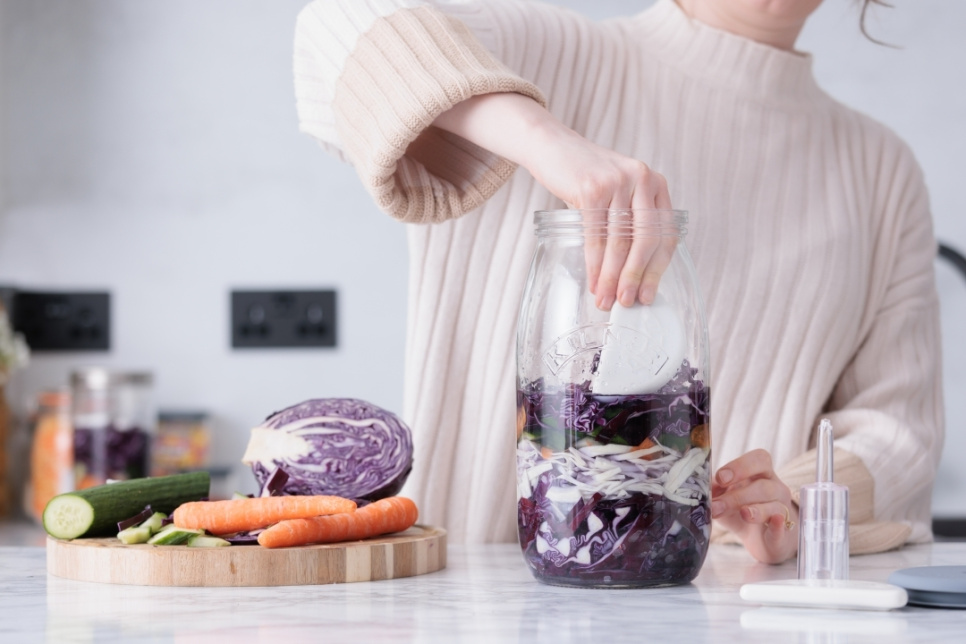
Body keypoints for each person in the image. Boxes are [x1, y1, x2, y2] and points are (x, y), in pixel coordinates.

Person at [292, 0, 944, 563]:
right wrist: (546, 142)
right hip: (471, 603)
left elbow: (898, 430)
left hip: (728, 604)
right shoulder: (548, 54)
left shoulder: (880, 170)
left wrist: (793, 505)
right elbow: (336, 24)